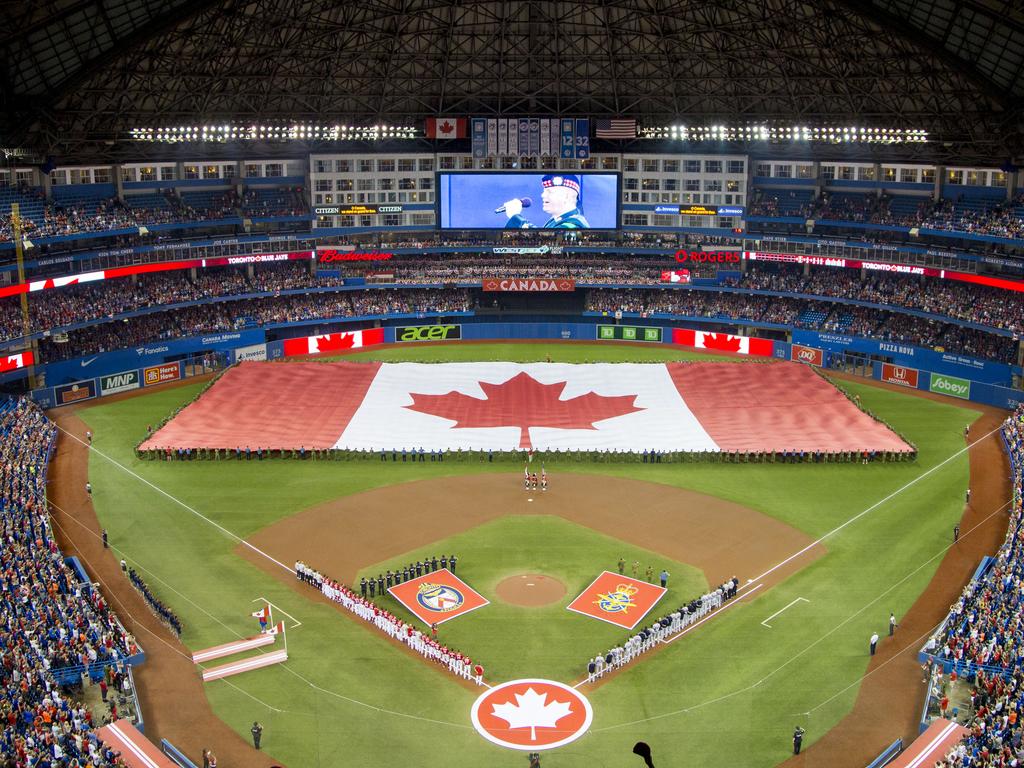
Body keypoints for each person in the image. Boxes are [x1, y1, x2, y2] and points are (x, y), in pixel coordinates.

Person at [502, 174, 591, 229]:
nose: (543, 195)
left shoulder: (573, 224)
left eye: (550, 192)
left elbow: (547, 243)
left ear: (567, 196)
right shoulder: (556, 220)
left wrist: (516, 218)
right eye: (544, 191)